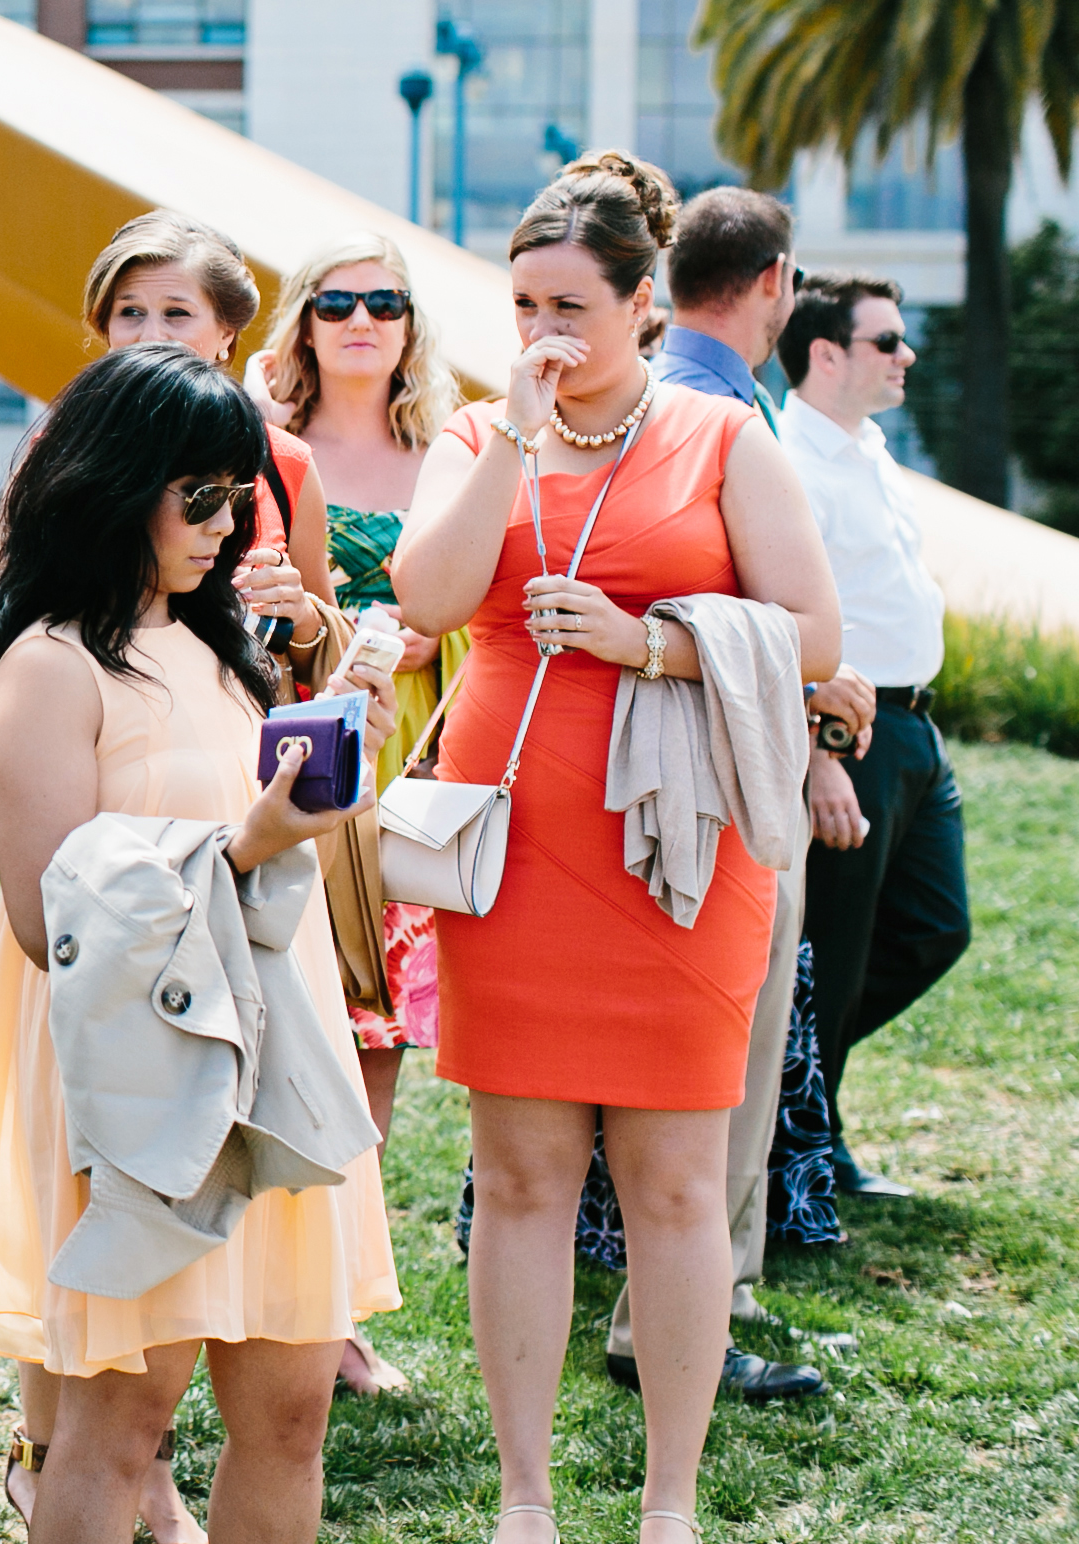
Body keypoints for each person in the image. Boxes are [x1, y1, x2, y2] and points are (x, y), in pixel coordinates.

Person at [389, 152, 842, 1544]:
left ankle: (669, 1504)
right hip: (515, 843)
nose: (544, 335)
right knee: (519, 1175)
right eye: (524, 306)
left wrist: (655, 643)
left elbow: (816, 639)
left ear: (645, 304)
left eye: (572, 307)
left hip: (677, 851)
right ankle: (524, 1501)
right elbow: (429, 594)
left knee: (677, 1181)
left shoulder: (720, 441)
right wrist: (518, 437)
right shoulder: (476, 439)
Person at [0, 342, 401, 1544]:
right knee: (122, 1423)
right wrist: (249, 839)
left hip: (275, 1056)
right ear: (110, 485)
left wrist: (331, 762)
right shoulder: (49, 666)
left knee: (294, 1411)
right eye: (198, 497)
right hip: (146, 1078)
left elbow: (263, 839)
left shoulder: (219, 649)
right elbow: (53, 921)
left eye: (241, 498)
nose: (229, 526)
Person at [616, 184, 837, 1401]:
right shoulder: (707, 409)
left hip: (722, 759)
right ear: (774, 283)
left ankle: (697, 1303)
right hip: (712, 778)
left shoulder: (699, 397)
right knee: (721, 1064)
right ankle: (691, 1311)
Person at [255, 232, 465, 1397]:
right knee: (290, 1026)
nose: (361, 319)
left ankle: (335, 1314)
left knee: (374, 1038)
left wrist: (444, 623)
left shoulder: (444, 448)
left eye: (385, 301)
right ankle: (269, 1298)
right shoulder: (264, 449)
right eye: (336, 302)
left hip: (420, 752)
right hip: (294, 749)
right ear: (304, 322)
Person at [777, 273, 969, 1201]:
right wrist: (817, 752)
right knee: (838, 953)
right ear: (827, 353)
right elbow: (786, 618)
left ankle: (803, 1116)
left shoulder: (871, 448)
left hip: (914, 729)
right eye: (887, 341)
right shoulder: (791, 461)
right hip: (850, 730)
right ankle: (812, 1155)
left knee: (936, 928)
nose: (906, 356)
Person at [84, 212, 332, 668]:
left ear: (227, 333)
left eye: (176, 313)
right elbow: (0, 617)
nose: (152, 335)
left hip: (250, 731)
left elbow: (321, 652)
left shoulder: (284, 461)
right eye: (130, 312)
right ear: (107, 330)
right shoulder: (61, 452)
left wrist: (301, 615)